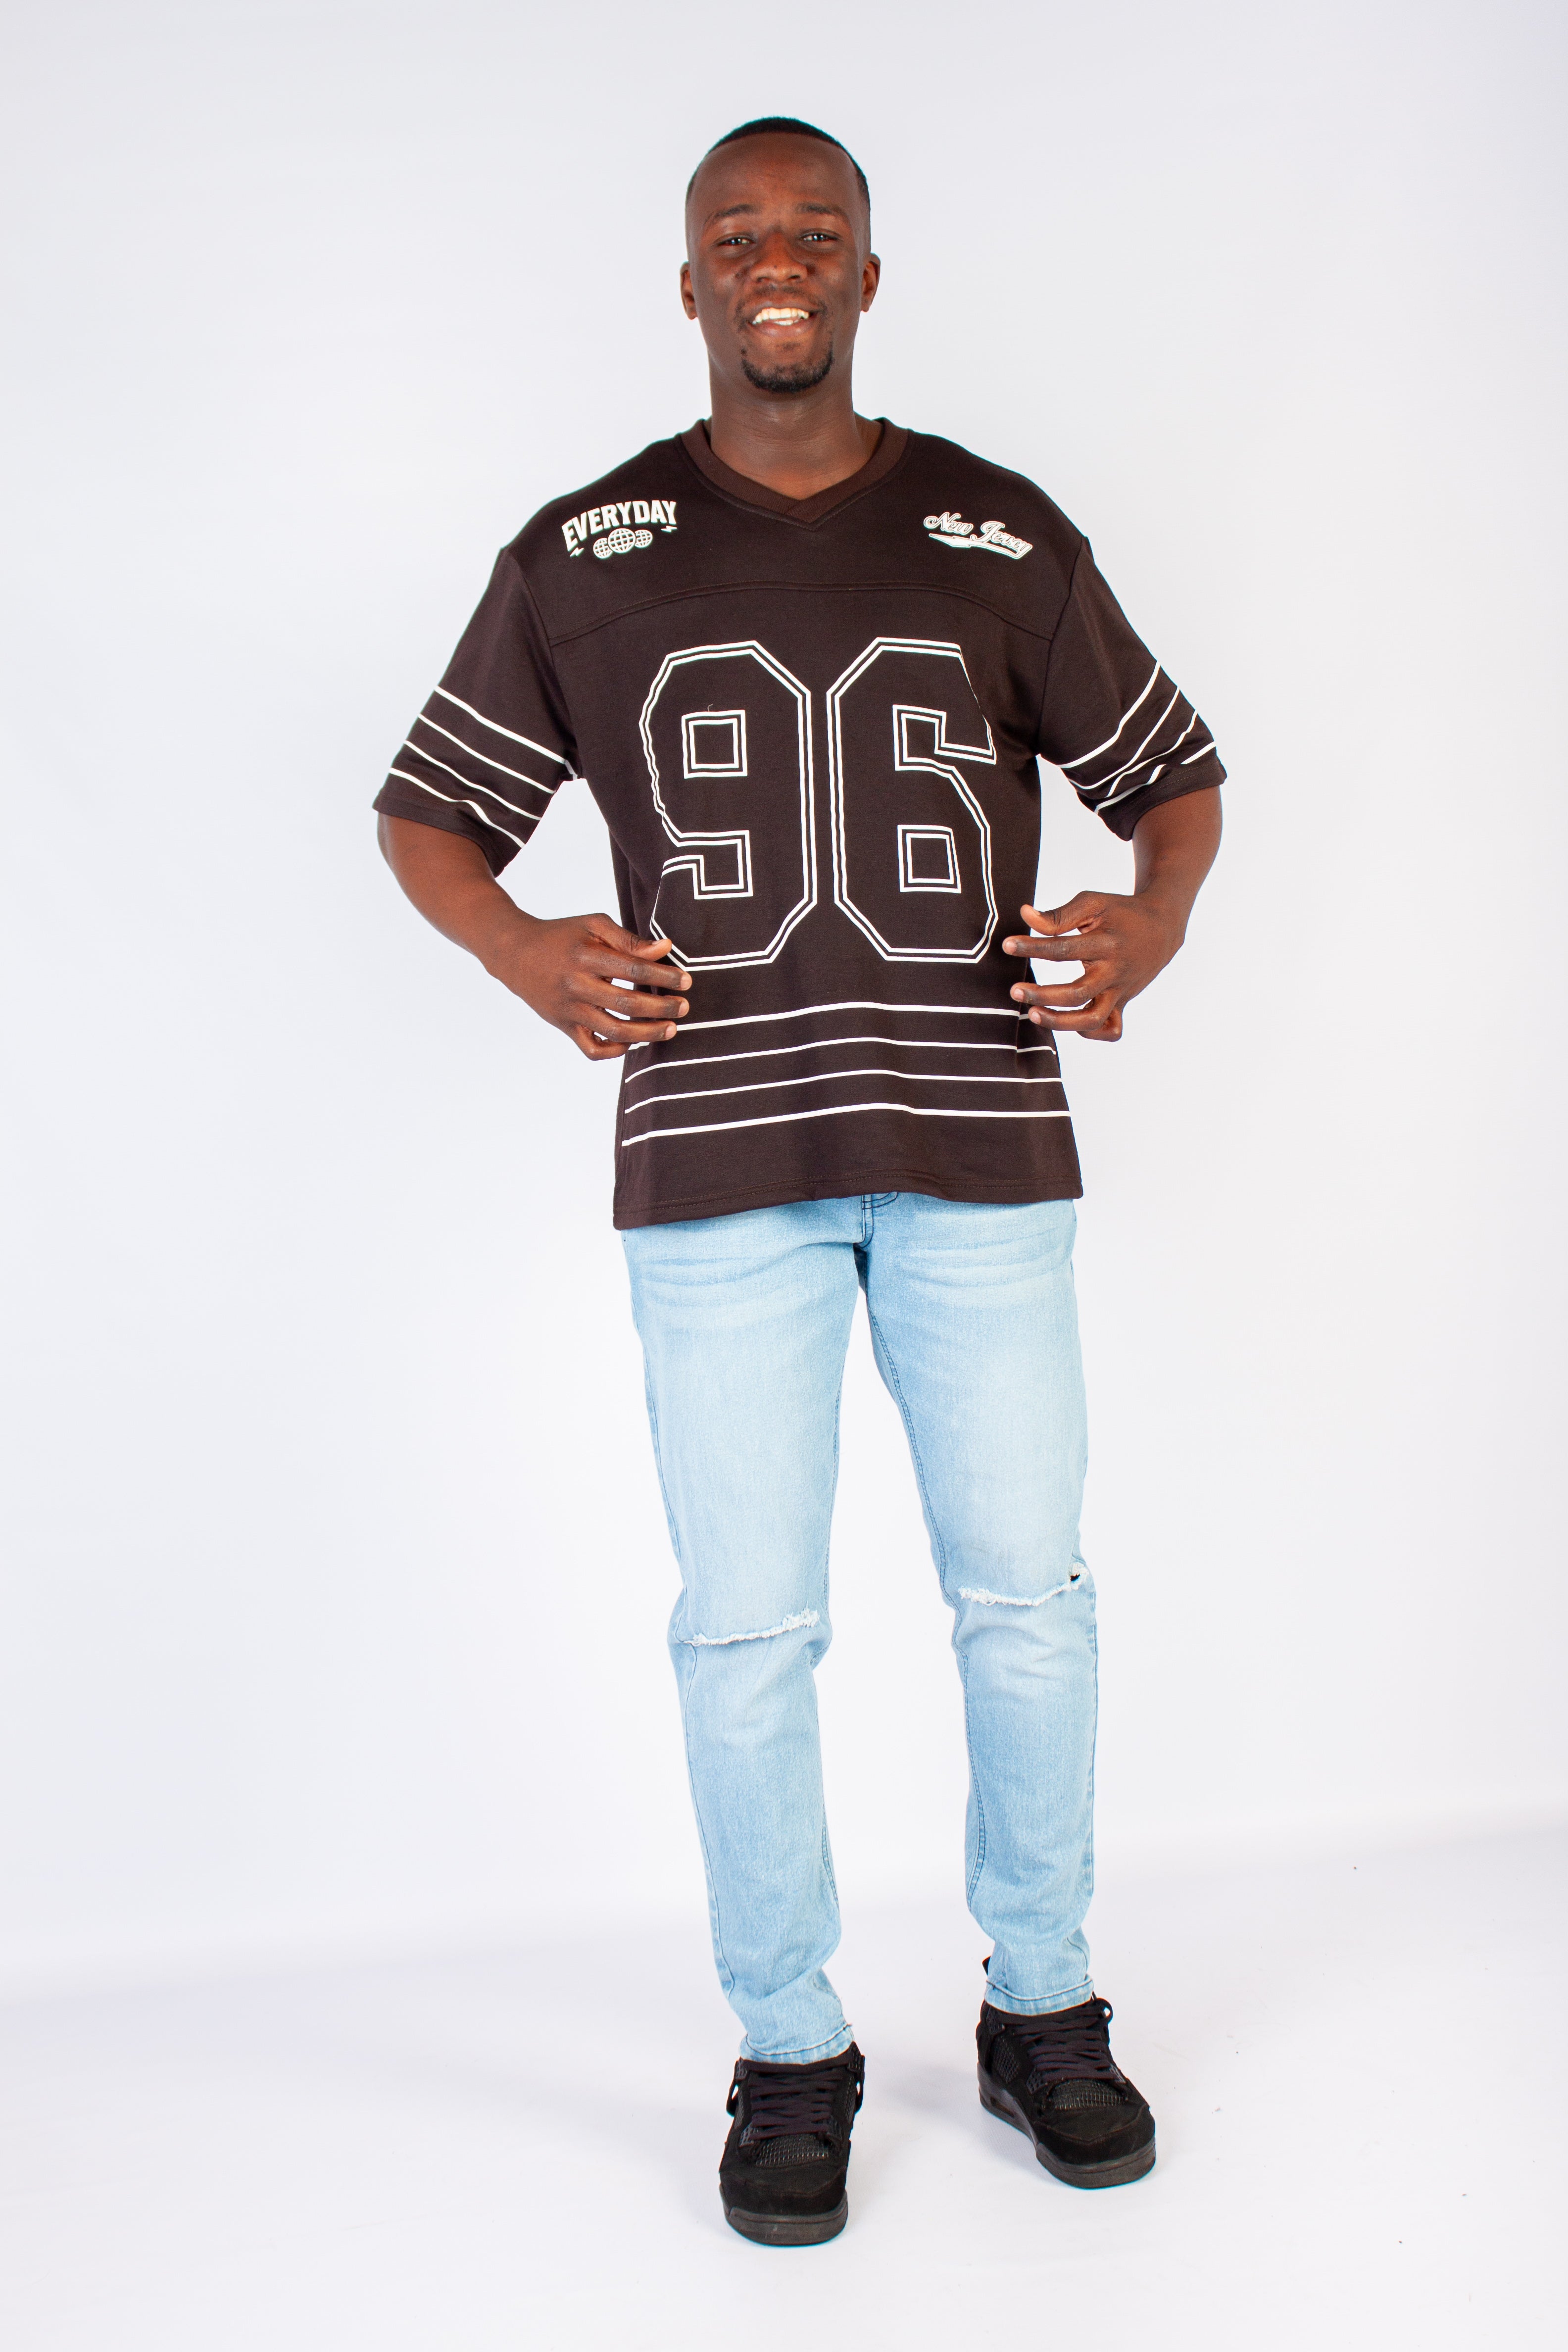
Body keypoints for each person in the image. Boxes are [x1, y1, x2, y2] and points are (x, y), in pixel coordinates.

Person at [374, 117, 1223, 2247]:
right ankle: (789, 2046)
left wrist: (1151, 919)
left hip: (977, 1146)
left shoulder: (994, 530)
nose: (780, 262)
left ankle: (1045, 2009)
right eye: (740, 237)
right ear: (689, 285)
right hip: (718, 1162)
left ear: (866, 273)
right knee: (747, 1631)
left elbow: (1174, 777)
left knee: (1028, 1603)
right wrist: (526, 950)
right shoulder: (588, 554)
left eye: (816, 232)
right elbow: (429, 814)